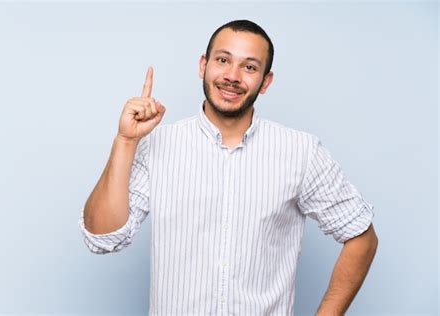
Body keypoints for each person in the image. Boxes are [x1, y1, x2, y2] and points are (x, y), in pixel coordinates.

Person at [78, 19, 378, 316]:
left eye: (249, 67)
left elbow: (361, 237)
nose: (232, 76)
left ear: (266, 81)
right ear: (203, 66)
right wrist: (125, 141)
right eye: (223, 60)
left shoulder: (301, 152)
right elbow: (103, 237)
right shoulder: (158, 145)